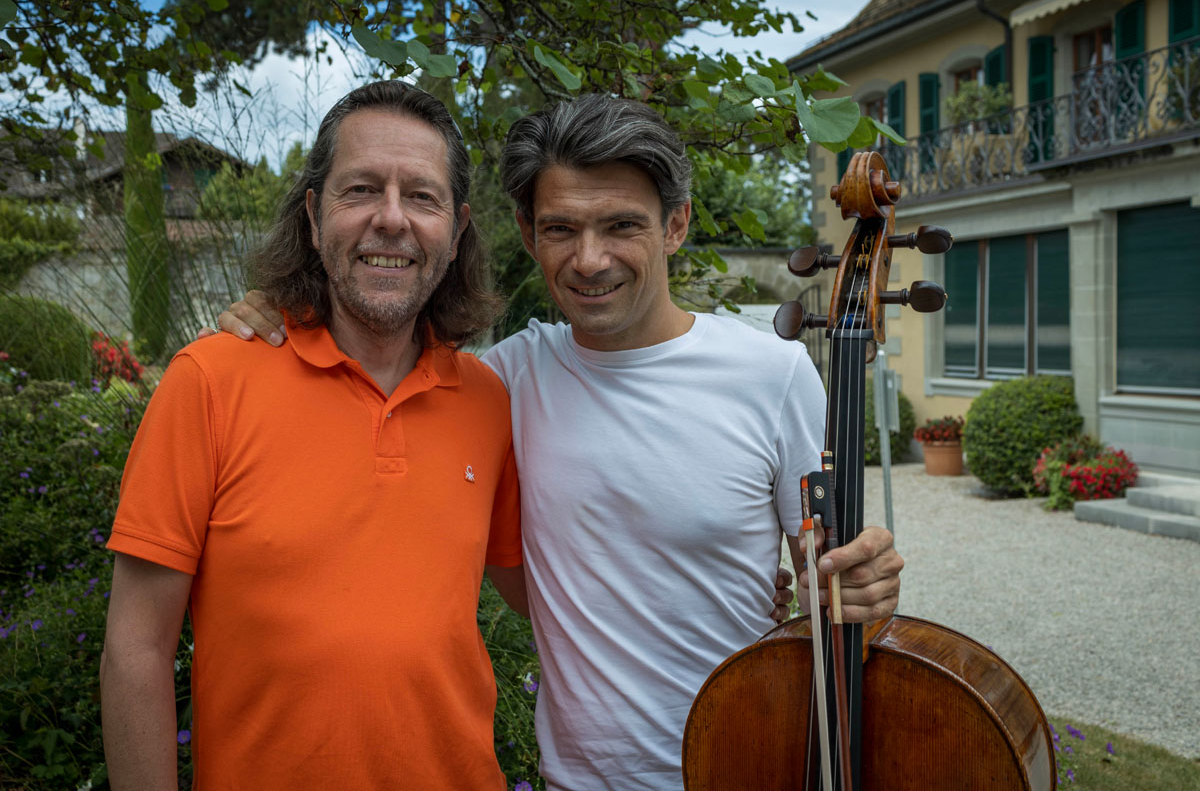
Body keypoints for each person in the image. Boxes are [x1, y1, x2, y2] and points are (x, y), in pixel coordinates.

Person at [216, 95, 903, 790]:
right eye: (561, 228)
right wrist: (284, 312)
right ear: (527, 233)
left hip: (750, 768)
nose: (589, 259)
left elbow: (830, 587)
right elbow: (369, 364)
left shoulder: (774, 376)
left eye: (621, 225)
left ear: (676, 224)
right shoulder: (499, 383)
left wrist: (863, 585)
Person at [100, 81, 526, 789]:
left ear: (455, 234)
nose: (391, 219)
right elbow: (136, 650)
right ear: (312, 212)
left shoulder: (487, 401)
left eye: (421, 197)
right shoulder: (210, 382)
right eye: (361, 189)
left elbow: (549, 594)